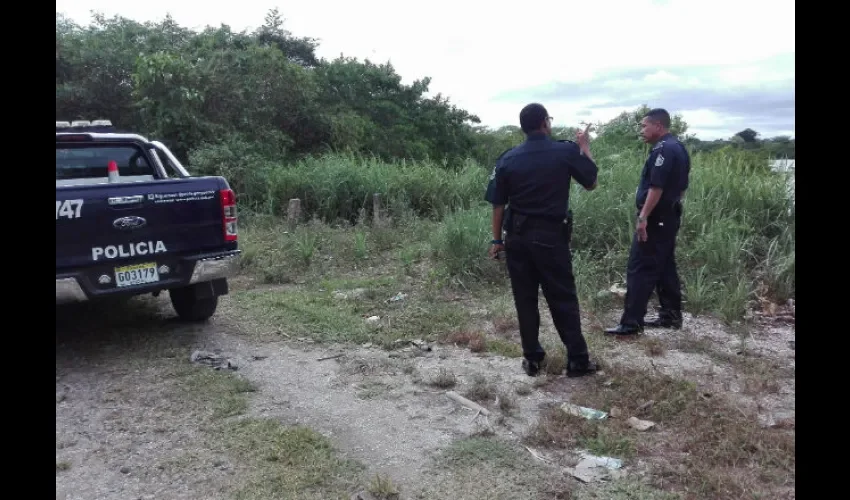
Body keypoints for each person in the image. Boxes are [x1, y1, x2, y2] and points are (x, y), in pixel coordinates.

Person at [487, 103, 599, 377]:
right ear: (545, 124)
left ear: (524, 127)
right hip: (550, 237)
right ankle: (577, 361)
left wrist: (496, 240)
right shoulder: (565, 151)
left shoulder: (508, 158)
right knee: (562, 297)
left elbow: (498, 205)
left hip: (517, 239)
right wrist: (584, 146)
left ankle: (532, 359)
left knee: (525, 299)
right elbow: (591, 181)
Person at [605, 108, 691, 335]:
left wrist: (643, 217)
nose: (641, 130)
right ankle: (671, 316)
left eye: (644, 126)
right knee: (664, 266)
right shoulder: (679, 147)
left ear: (658, 126)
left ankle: (631, 323)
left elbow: (656, 187)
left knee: (640, 267)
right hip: (669, 216)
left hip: (656, 218)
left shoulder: (663, 150)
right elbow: (681, 188)